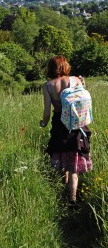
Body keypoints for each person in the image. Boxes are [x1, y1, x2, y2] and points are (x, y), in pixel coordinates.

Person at [40, 55, 92, 204]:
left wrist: (43, 123)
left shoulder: (48, 86)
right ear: (65, 66)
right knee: (74, 164)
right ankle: (73, 198)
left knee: (63, 160)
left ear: (50, 68)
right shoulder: (76, 80)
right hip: (76, 123)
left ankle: (64, 190)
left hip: (59, 124)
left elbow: (47, 112)